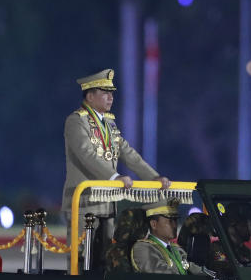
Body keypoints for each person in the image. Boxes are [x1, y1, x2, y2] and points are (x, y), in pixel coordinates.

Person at [61, 68, 170, 262]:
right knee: (80, 258)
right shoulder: (76, 122)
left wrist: (154, 177)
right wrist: (114, 177)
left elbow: (129, 154)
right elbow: (87, 155)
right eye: (105, 93)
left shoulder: (109, 125)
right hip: (83, 202)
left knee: (105, 258)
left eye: (111, 93)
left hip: (106, 204)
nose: (110, 98)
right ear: (90, 95)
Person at [131, 201, 207, 275]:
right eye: (170, 221)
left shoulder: (176, 249)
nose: (175, 225)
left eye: (175, 220)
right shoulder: (142, 248)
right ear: (154, 224)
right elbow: (164, 277)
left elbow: (193, 268)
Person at [211, 201, 251, 272]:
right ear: (233, 223)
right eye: (250, 224)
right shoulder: (218, 249)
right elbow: (223, 265)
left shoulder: (245, 250)